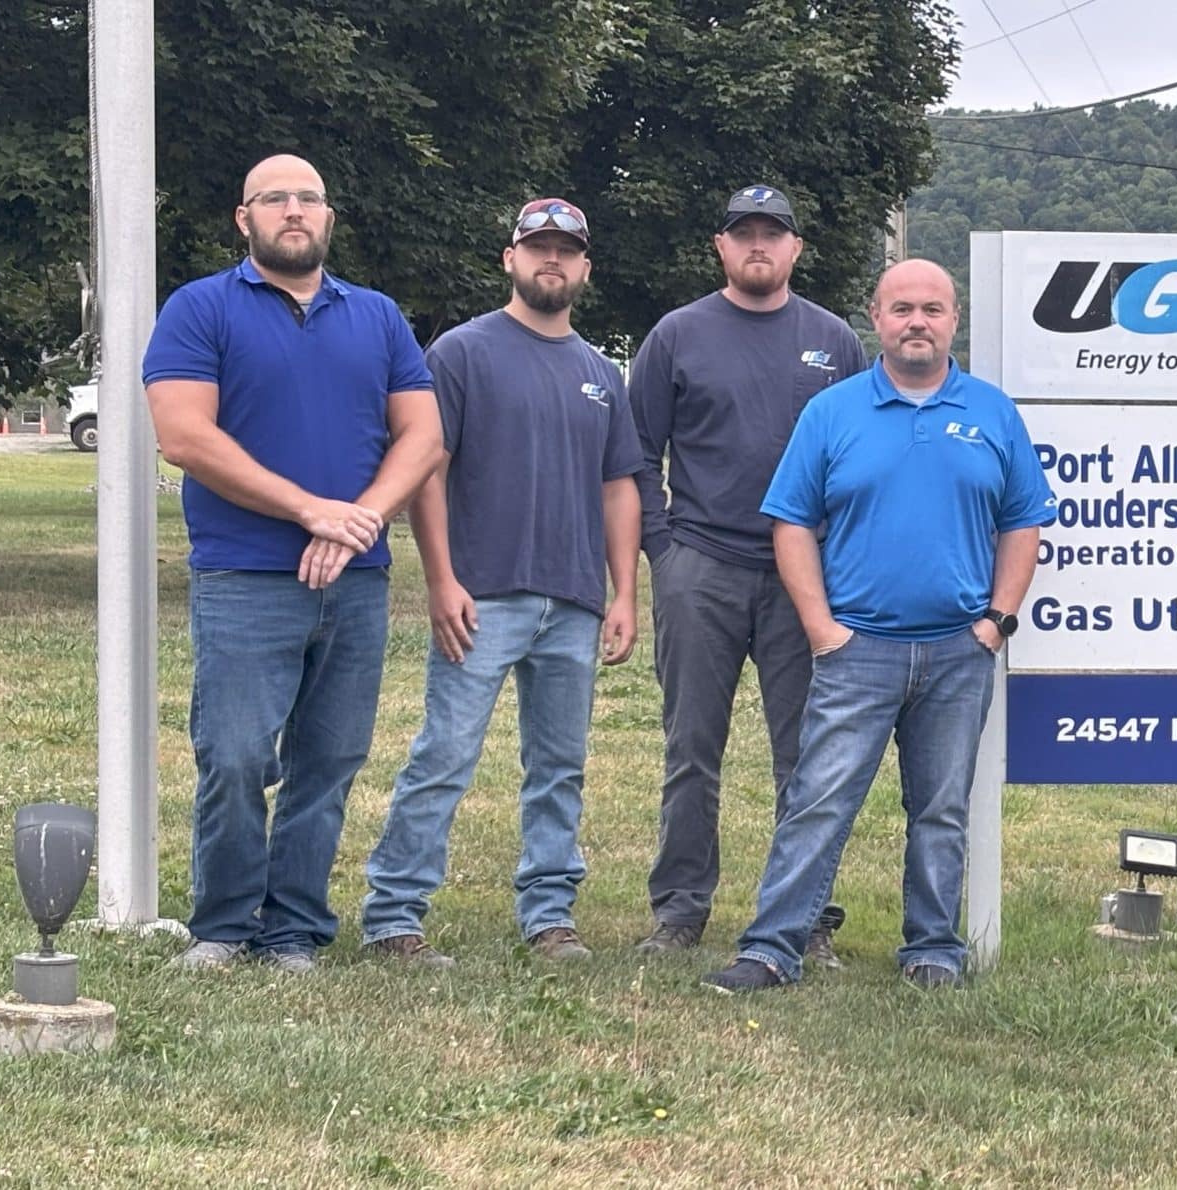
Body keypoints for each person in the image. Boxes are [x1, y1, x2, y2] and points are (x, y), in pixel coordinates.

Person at [702, 259, 1054, 993]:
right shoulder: (832, 412)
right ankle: (771, 948)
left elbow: (1024, 521)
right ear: (876, 318)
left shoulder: (993, 413)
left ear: (954, 319)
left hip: (960, 649)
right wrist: (822, 628)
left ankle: (933, 951)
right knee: (817, 802)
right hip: (857, 647)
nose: (916, 322)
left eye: (931, 308)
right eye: (901, 309)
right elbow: (792, 522)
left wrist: (997, 621)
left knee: (940, 810)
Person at [143, 153, 442, 973]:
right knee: (237, 755)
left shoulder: (378, 317)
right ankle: (226, 926)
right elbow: (185, 436)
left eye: (309, 197)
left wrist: (358, 522)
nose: (294, 210)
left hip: (358, 580)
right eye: (274, 198)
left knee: (329, 760)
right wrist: (308, 509)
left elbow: (423, 436)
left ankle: (294, 931)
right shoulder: (200, 308)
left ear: (328, 216)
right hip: (244, 574)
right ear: (245, 219)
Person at [357, 198, 646, 968]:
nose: (552, 261)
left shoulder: (599, 375)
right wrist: (441, 580)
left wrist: (625, 594)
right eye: (537, 247)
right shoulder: (461, 353)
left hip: (575, 601)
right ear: (510, 260)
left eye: (567, 251)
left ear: (585, 268)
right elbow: (427, 468)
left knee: (560, 767)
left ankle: (550, 914)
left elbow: (621, 486)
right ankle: (393, 915)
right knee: (445, 755)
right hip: (481, 594)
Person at [629, 185, 867, 957]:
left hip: (807, 579)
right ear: (721, 247)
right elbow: (636, 453)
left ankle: (802, 915)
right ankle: (680, 908)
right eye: (744, 234)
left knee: (808, 755)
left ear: (796, 249)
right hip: (701, 564)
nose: (759, 245)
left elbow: (860, 458)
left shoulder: (834, 340)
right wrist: (663, 552)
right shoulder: (677, 335)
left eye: (774, 234)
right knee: (691, 747)